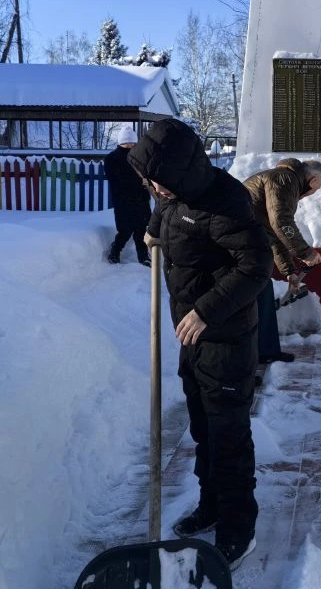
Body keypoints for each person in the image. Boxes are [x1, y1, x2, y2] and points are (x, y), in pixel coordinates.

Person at [127, 118, 271, 570]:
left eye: (158, 181)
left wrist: (207, 310)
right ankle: (211, 506)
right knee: (203, 431)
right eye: (149, 180)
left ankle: (237, 527)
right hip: (192, 339)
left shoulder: (227, 204)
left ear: (181, 173)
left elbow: (255, 266)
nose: (153, 188)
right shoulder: (174, 195)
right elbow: (167, 214)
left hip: (224, 338)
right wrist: (154, 228)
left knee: (228, 437)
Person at [242, 158, 321, 364]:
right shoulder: (285, 179)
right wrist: (306, 253)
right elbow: (281, 223)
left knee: (264, 292)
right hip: (239, 242)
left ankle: (265, 351)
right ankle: (247, 361)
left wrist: (289, 271)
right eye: (318, 187)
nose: (314, 193)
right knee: (252, 298)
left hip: (249, 240)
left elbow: (273, 232)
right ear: (313, 179)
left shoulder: (282, 180)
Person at [104, 126, 152, 266]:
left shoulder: (141, 157)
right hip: (123, 201)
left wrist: (147, 181)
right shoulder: (112, 158)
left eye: (132, 143)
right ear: (120, 142)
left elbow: (149, 173)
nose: (130, 145)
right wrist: (139, 182)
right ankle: (115, 252)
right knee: (125, 230)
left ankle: (143, 256)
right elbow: (117, 180)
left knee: (141, 231)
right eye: (127, 143)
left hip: (141, 200)